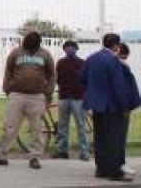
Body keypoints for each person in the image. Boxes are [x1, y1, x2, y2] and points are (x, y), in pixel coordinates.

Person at [0, 31, 56, 170]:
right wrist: (7, 89)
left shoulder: (45, 54)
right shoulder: (16, 53)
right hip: (17, 94)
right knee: (10, 126)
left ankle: (34, 157)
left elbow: (52, 74)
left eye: (34, 45)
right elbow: (8, 71)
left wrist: (48, 92)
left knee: (36, 128)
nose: (31, 47)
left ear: (38, 43)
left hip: (37, 95)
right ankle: (0, 156)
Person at [82, 34, 140, 182]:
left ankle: (101, 169)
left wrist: (92, 94)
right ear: (116, 45)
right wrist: (124, 106)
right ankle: (115, 171)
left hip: (97, 105)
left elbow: (82, 78)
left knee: (100, 137)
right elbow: (118, 86)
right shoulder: (113, 61)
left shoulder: (91, 58)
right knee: (114, 139)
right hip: (112, 106)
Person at [53, 40, 89, 161]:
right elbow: (57, 78)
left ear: (76, 49)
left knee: (81, 126)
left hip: (78, 98)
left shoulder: (82, 63)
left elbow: (86, 80)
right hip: (64, 97)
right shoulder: (60, 63)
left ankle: (84, 152)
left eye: (72, 47)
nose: (69, 49)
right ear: (64, 49)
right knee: (62, 126)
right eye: (67, 47)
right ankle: (62, 151)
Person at [117, 43, 139, 177]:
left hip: (117, 107)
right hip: (122, 107)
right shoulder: (122, 67)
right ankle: (120, 163)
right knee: (120, 136)